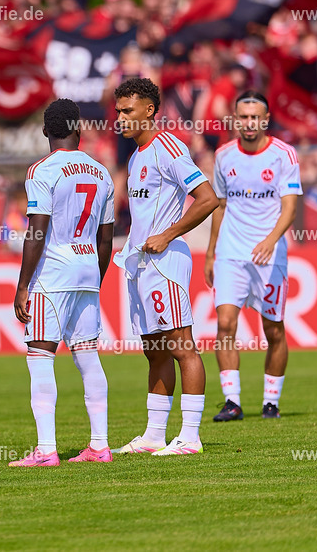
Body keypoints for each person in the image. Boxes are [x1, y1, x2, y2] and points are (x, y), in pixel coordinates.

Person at [110, 77, 218, 456]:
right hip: (139, 263)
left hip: (165, 262)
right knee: (153, 350)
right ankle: (155, 435)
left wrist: (168, 234)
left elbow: (207, 199)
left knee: (181, 347)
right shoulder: (136, 155)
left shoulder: (168, 147)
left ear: (150, 110)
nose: (120, 118)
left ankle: (190, 437)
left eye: (127, 110)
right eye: (118, 111)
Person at [11, 98, 115, 467]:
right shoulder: (101, 172)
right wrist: (96, 279)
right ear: (79, 130)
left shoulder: (42, 170)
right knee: (88, 357)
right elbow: (106, 238)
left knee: (40, 356)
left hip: (53, 273)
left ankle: (45, 450)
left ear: (44, 131)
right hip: (88, 268)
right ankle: (100, 446)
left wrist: (23, 284)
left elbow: (37, 230)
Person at [205, 91, 302, 421]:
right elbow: (219, 205)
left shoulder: (283, 155)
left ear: (265, 119)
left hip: (269, 255)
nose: (248, 123)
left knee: (273, 330)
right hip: (231, 253)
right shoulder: (223, 156)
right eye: (242, 117)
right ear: (235, 119)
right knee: (225, 324)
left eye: (254, 117)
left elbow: (290, 207)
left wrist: (270, 240)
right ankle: (232, 401)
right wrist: (211, 252)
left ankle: (271, 402)